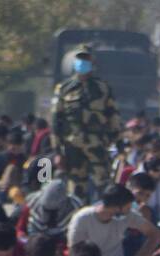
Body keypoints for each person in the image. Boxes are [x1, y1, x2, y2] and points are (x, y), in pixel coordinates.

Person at [49, 45, 121, 200]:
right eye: (80, 59)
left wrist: (115, 141)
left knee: (104, 186)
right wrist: (57, 152)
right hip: (72, 147)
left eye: (86, 59)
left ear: (93, 62)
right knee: (76, 189)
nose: (83, 62)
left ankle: (104, 217)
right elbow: (56, 122)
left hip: (98, 145)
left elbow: (113, 116)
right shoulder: (64, 89)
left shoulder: (103, 88)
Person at [65, 184, 160, 256]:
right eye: (128, 207)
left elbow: (156, 235)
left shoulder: (127, 216)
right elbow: (74, 251)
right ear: (117, 207)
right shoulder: (82, 218)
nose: (130, 210)